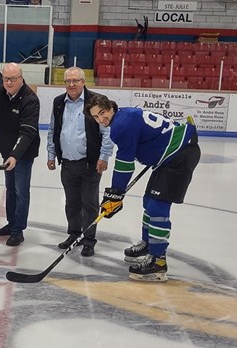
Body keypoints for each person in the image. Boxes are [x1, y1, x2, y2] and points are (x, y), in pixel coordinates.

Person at [85, 95, 200, 282]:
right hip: (170, 155)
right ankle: (149, 244)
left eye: (103, 113)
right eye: (96, 117)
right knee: (149, 202)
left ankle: (158, 261)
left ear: (110, 107)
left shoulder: (120, 125)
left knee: (157, 208)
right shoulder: (125, 115)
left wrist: (115, 193)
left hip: (180, 154)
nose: (101, 119)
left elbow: (125, 164)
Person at [47, 67, 114, 257]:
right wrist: (51, 155)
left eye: (75, 80)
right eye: (68, 81)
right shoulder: (59, 102)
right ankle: (74, 235)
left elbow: (107, 132)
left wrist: (104, 157)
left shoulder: (96, 101)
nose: (71, 84)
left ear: (83, 81)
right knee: (72, 203)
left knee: (90, 204)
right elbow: (53, 130)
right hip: (67, 163)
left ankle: (89, 240)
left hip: (90, 164)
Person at [0, 63, 40, 246]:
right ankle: (11, 223)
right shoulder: (0, 93)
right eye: (6, 78)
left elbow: (27, 132)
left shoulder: (30, 99)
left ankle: (18, 230)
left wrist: (14, 155)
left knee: (21, 192)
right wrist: (0, 143)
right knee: (10, 189)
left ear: (21, 78)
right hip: (7, 153)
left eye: (13, 79)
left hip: (23, 155)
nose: (9, 82)